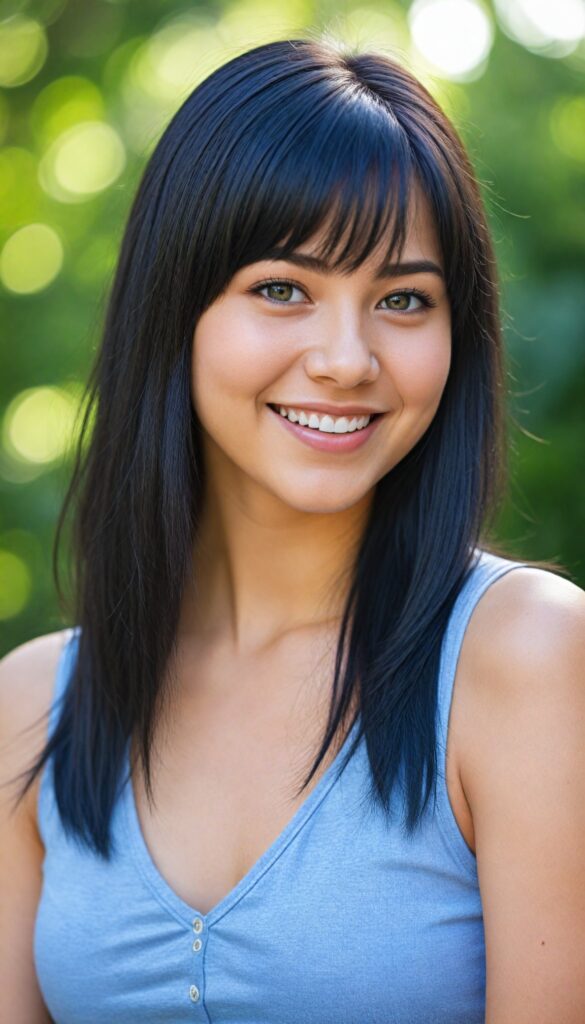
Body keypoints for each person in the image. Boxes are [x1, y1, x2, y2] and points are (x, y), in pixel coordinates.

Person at [1, 36, 584, 1024]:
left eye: (404, 299)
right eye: (284, 289)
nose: (348, 359)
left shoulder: (528, 657)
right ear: (175, 310)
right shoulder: (33, 706)